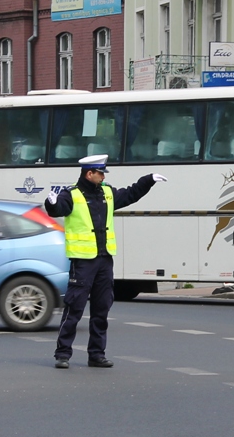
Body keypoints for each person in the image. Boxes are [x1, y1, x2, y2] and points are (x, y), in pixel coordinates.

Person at [44, 154, 167, 369]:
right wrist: (51, 203)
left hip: (104, 260)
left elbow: (130, 194)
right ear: (89, 173)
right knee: (74, 309)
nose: (103, 176)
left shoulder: (107, 193)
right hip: (83, 262)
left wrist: (148, 180)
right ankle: (62, 354)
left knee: (102, 310)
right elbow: (58, 209)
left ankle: (96, 355)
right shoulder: (71, 194)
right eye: (100, 173)